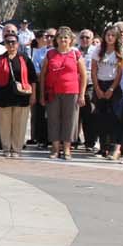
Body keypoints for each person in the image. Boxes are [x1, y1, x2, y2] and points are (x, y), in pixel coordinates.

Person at [42, 28, 88, 160]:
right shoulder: (50, 54)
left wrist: (82, 94)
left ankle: (67, 149)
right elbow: (43, 75)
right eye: (60, 37)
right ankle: (55, 148)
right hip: (53, 92)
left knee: (70, 120)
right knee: (53, 119)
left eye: (66, 38)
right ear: (56, 39)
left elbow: (84, 75)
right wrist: (41, 95)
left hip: (71, 91)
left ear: (71, 40)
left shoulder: (76, 54)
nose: (63, 40)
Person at [0, 34, 37, 158]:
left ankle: (16, 148)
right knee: (4, 124)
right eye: (8, 42)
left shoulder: (25, 59)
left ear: (18, 44)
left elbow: (33, 79)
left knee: (19, 125)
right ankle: (6, 147)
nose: (11, 44)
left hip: (22, 97)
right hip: (3, 97)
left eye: (13, 42)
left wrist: (33, 95)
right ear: (4, 44)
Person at [90, 24, 123, 161]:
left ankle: (114, 147)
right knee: (101, 117)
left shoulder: (122, 51)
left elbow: (120, 72)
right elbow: (94, 70)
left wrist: (112, 88)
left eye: (113, 35)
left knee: (115, 117)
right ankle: (103, 146)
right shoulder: (98, 50)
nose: (110, 38)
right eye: (108, 35)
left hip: (115, 86)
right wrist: (98, 88)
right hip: (100, 83)